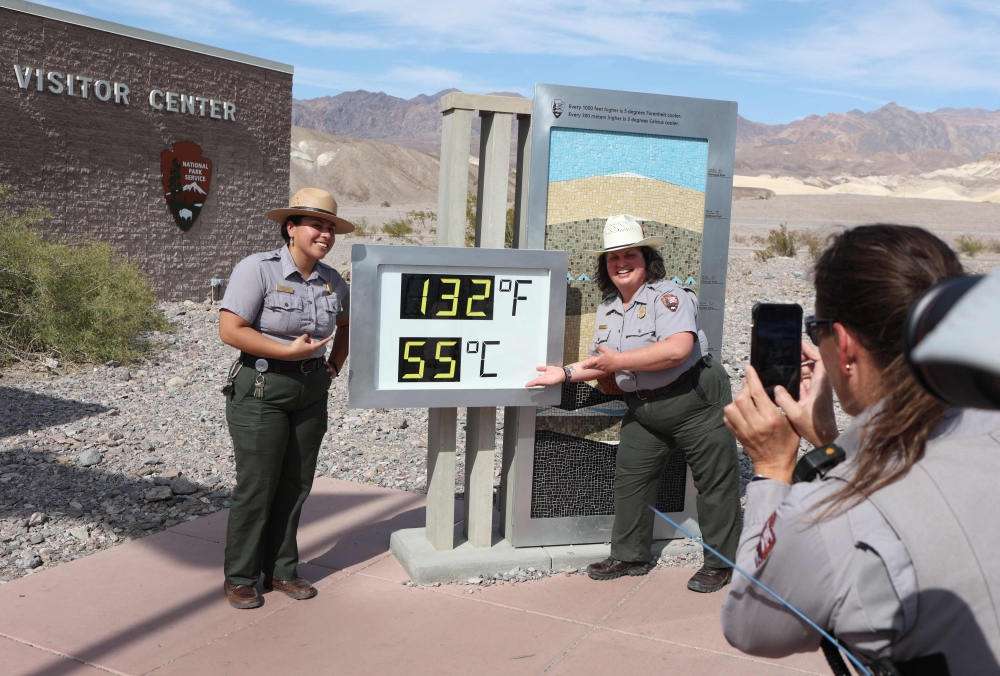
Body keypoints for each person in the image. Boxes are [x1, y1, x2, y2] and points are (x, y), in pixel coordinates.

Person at [721, 224, 1000, 673]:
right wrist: (832, 443)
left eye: (818, 330)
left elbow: (753, 627)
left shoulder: (826, 512)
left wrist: (773, 468)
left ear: (844, 345)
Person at [527, 214, 742, 592]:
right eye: (613, 258)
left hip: (695, 400)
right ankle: (630, 555)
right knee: (631, 480)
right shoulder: (609, 308)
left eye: (630, 255)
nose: (621, 263)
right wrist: (563, 374)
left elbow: (678, 349)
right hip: (644, 408)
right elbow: (600, 361)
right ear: (605, 265)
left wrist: (619, 363)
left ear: (646, 259)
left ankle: (721, 563)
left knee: (715, 485)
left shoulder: (669, 296)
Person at [217, 188, 353, 609]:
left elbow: (346, 323)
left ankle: (281, 570)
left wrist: (335, 364)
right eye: (317, 225)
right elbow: (231, 330)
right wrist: (287, 352)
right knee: (258, 485)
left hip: (311, 390)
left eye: (330, 227)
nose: (325, 234)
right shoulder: (256, 269)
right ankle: (240, 575)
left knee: (296, 484)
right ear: (291, 229)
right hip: (262, 389)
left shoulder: (332, 279)